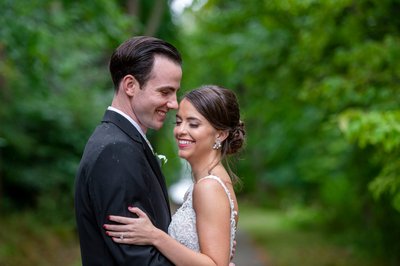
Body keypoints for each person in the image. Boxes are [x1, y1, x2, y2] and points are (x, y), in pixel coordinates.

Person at [104, 85, 246, 266]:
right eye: (178, 122)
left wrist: (155, 236)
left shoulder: (209, 187)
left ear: (220, 134)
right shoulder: (213, 181)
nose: (180, 131)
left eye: (193, 124)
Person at [74, 36, 182, 265]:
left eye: (175, 93)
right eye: (165, 92)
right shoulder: (115, 151)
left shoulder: (122, 141)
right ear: (130, 85)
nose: (175, 103)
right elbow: (138, 260)